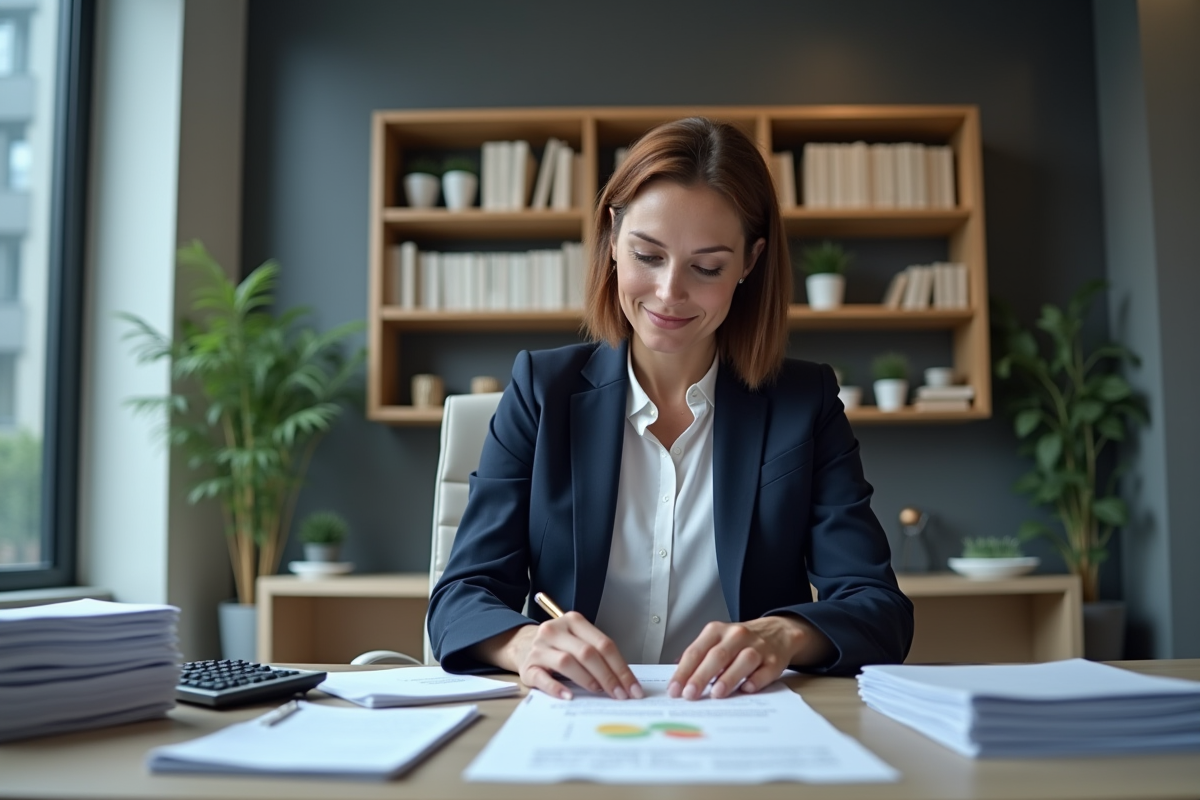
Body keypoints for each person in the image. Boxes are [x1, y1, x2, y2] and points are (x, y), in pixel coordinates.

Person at [427, 117, 913, 702]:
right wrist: (525, 644)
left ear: (749, 263)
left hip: (739, 720)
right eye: (647, 255)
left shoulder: (802, 404)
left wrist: (782, 635)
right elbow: (460, 597)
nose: (668, 293)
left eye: (706, 267)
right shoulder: (541, 389)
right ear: (612, 238)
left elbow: (878, 608)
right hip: (575, 715)